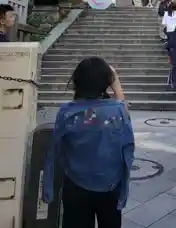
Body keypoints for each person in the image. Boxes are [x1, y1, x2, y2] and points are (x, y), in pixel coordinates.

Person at [42, 57, 134, 228]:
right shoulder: (117, 111)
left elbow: (56, 149)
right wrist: (116, 84)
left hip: (75, 184)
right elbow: (125, 116)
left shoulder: (67, 112)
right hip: (109, 185)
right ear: (107, 82)